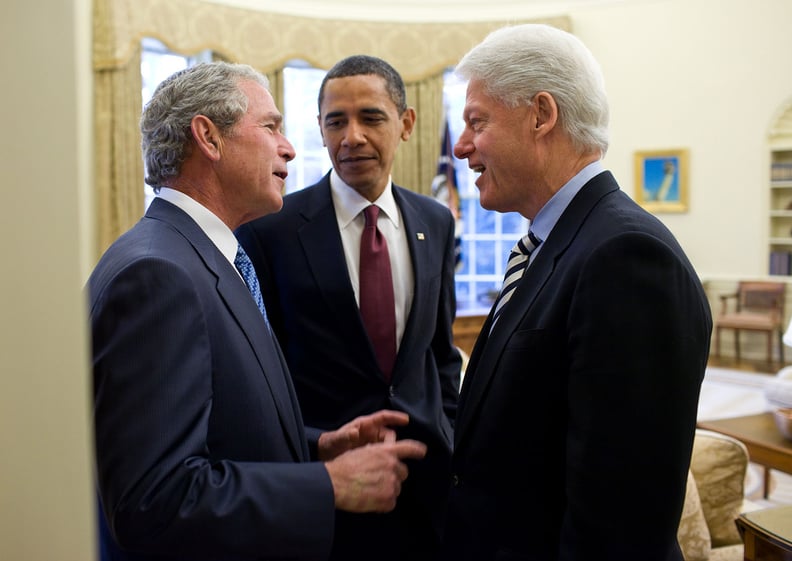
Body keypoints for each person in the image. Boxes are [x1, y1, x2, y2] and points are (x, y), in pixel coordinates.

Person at [88, 61, 427, 561]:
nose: (289, 147)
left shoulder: (199, 255)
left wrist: (314, 446)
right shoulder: (158, 277)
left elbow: (220, 429)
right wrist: (326, 484)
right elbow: (153, 500)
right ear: (208, 137)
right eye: (270, 127)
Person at [440, 24, 712, 561]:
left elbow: (620, 523)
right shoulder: (557, 240)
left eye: (477, 121)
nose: (461, 146)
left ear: (541, 115)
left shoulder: (626, 257)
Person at [236, 55, 462, 561]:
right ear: (319, 129)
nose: (351, 136)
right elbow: (260, 374)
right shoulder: (269, 229)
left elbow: (441, 354)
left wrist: (446, 429)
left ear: (406, 124)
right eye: (335, 121)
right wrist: (314, 450)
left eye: (371, 117)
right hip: (323, 489)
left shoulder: (435, 221)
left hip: (426, 484)